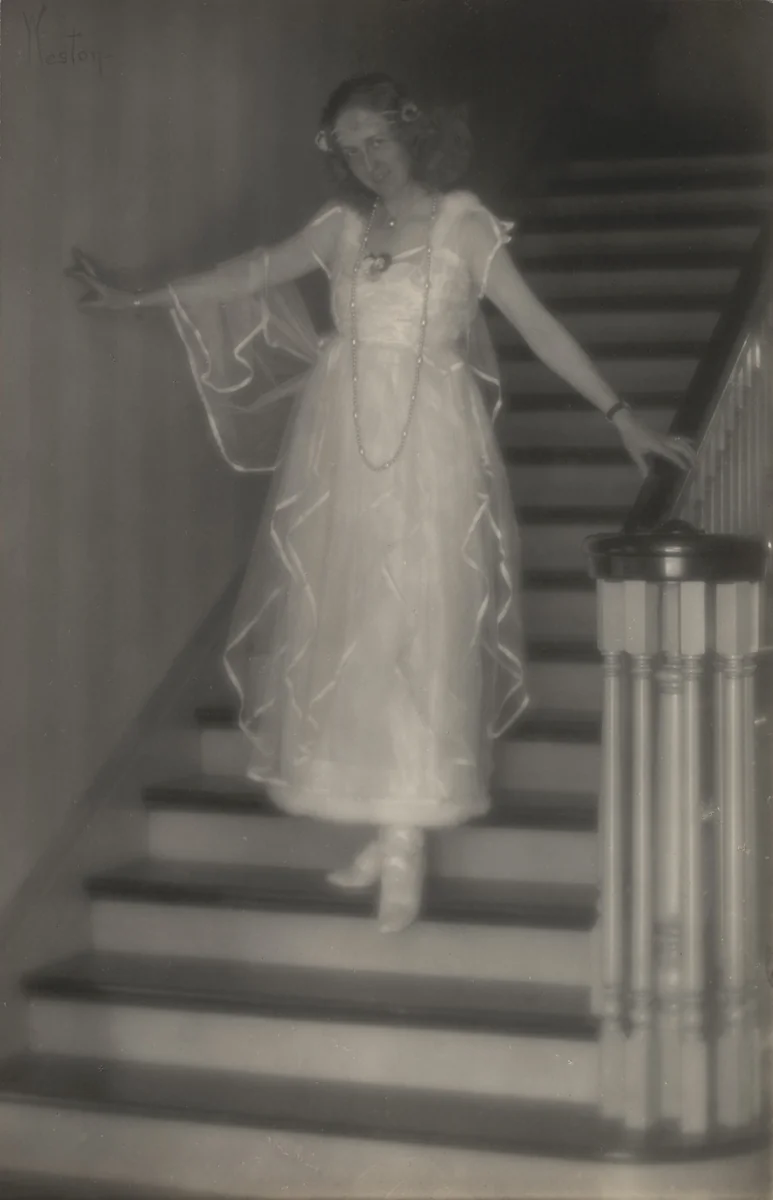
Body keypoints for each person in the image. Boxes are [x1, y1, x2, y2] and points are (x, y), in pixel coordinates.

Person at [67, 74, 693, 934]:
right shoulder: (341, 228)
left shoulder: (463, 223)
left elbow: (538, 326)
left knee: (419, 624)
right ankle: (380, 822)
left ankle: (407, 838)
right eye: (350, 149)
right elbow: (249, 273)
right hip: (342, 447)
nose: (367, 163)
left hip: (431, 442)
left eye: (378, 143)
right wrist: (135, 299)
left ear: (415, 135)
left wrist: (620, 416)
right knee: (352, 625)